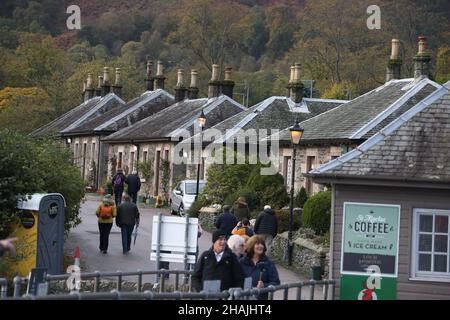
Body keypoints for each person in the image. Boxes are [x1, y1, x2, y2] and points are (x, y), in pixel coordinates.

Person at [240, 235, 280, 300]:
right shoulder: (242, 262)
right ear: (251, 245)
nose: (261, 246)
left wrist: (264, 286)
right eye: (257, 244)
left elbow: (276, 282)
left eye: (262, 244)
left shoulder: (268, 263)